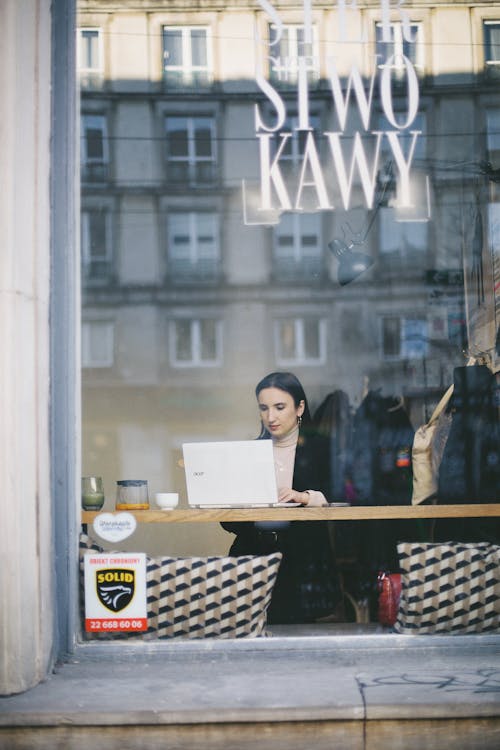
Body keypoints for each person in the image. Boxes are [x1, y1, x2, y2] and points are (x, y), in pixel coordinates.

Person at [221, 371, 339, 624]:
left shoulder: (321, 449)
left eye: (279, 407)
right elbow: (229, 523)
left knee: (296, 643)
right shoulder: (249, 452)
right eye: (264, 408)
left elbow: (344, 498)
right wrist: (232, 503)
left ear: (300, 407)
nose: (270, 417)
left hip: (301, 559)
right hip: (251, 556)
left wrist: (306, 497)